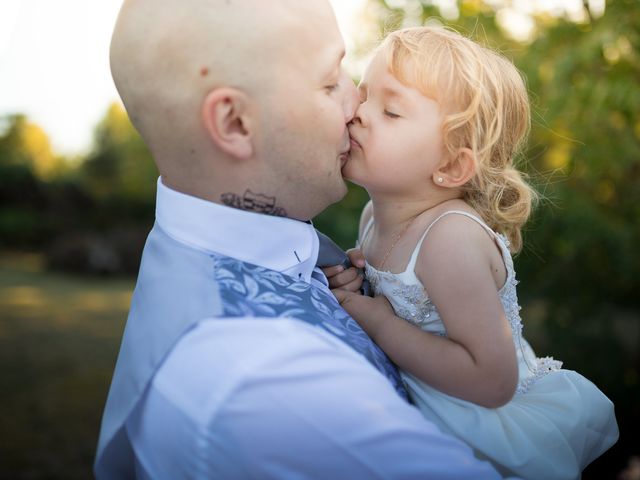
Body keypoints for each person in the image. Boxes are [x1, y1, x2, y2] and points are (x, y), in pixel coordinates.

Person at [94, 1, 504, 478]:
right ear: (234, 123)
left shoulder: (211, 248)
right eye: (331, 83)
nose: (355, 106)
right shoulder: (267, 381)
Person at [327, 26, 619, 480]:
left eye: (390, 110)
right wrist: (357, 276)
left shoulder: (450, 240)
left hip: (479, 426)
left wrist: (380, 321)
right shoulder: (373, 215)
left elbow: (491, 380)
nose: (359, 113)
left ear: (450, 166)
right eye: (364, 95)